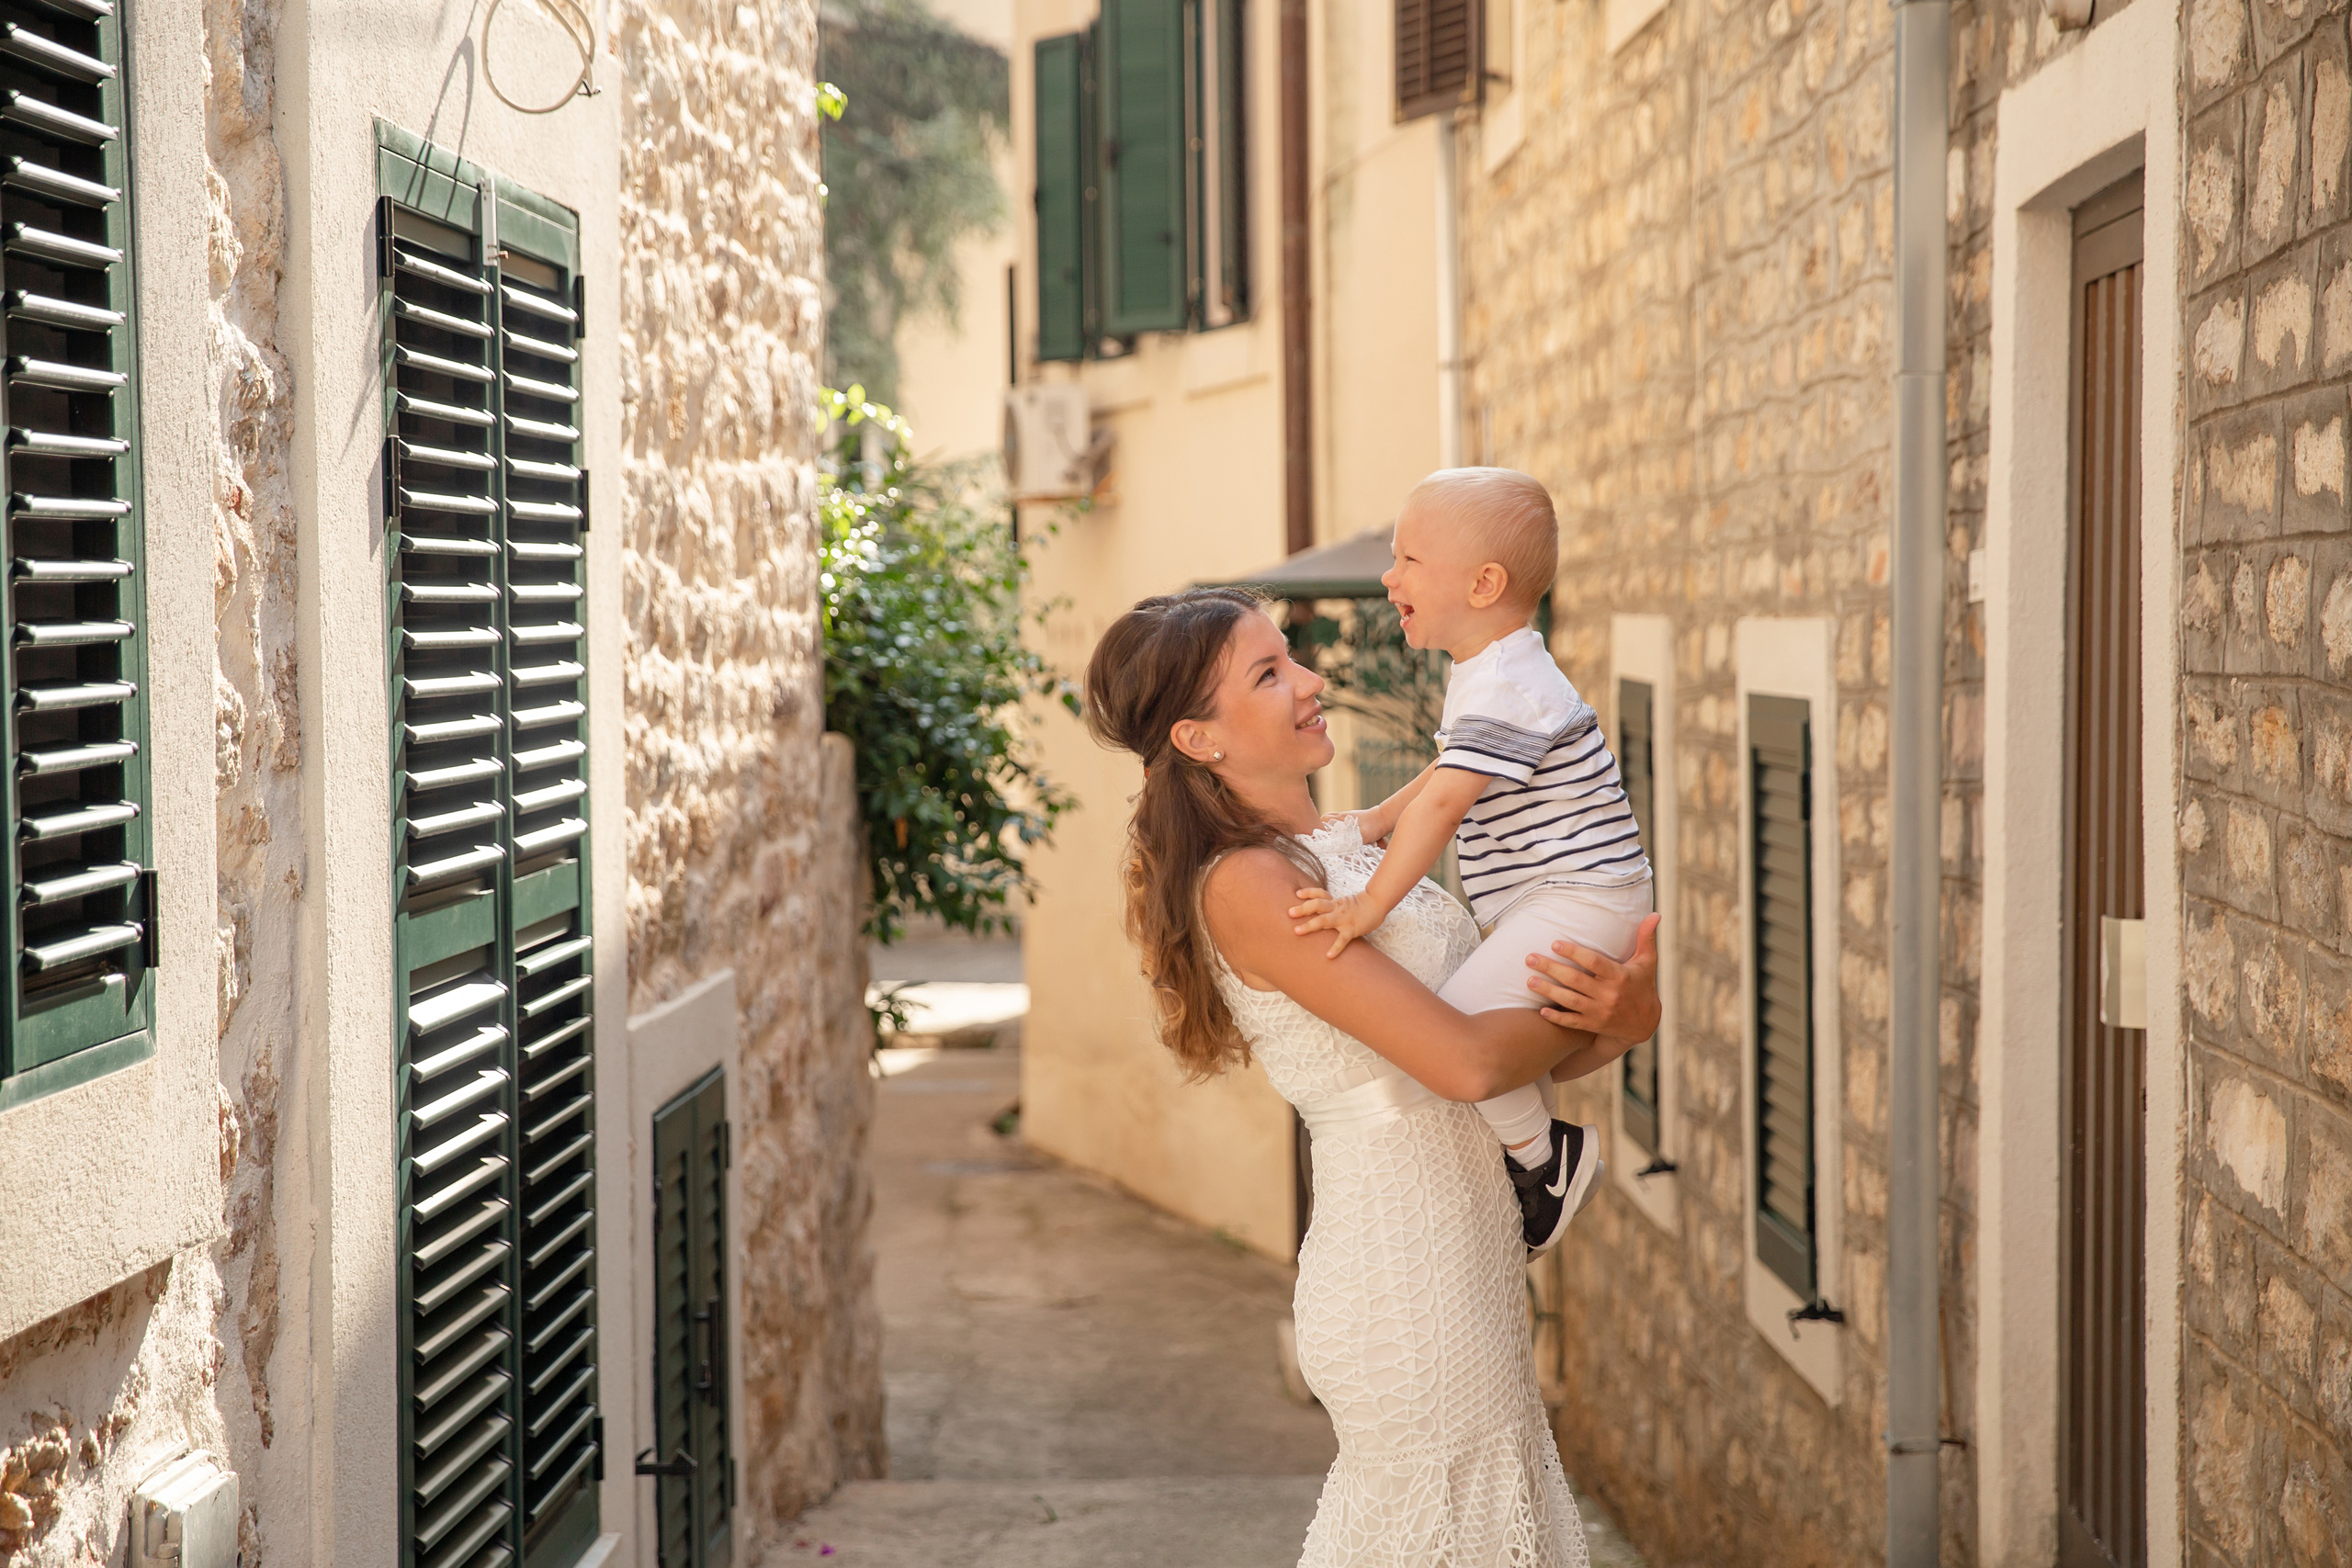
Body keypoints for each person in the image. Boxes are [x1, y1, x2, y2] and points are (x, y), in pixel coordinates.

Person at [1084, 586, 1659, 1568]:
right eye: (1269, 674)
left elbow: (1491, 1050)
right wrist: (1603, 1017)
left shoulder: (1336, 850)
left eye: (1291, 658)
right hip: (1404, 1278)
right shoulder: (1250, 885)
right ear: (1198, 738)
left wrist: (1623, 1023)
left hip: (1462, 1262)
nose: (1313, 682)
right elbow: (1468, 1058)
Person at [1290, 468, 1651, 1254]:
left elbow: (1450, 804)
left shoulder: (1511, 680)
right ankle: (1533, 1156)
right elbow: (1452, 771)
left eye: (1409, 559)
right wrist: (1384, 816)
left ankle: (1543, 1158)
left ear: (1485, 583)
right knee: (1488, 1034)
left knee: (1454, 1030)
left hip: (1580, 896)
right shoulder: (1493, 671)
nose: (1390, 577)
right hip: (1565, 897)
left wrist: (1366, 906)